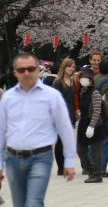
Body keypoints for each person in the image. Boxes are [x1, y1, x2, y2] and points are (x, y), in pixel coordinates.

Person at [0, 53, 76, 205]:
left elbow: (65, 128)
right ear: (15, 73)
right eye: (21, 70)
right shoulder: (8, 97)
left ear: (37, 70)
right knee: (20, 203)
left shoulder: (52, 96)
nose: (26, 73)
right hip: (13, 158)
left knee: (34, 202)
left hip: (40, 157)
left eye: (30, 69)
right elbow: (1, 131)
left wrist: (69, 161)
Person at [75, 67, 106, 183]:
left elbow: (97, 111)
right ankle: (90, 171)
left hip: (95, 125)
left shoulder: (95, 93)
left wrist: (92, 126)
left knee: (96, 151)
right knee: (80, 149)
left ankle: (97, 175)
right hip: (83, 123)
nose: (83, 80)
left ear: (91, 79)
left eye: (86, 78)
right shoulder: (82, 92)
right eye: (81, 78)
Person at [51, 59, 78, 176]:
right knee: (60, 141)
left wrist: (76, 110)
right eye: (69, 66)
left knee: (66, 140)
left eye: (73, 66)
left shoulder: (73, 81)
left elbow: (74, 98)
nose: (71, 68)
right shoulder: (58, 82)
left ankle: (66, 165)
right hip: (60, 113)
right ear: (64, 67)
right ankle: (60, 167)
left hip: (70, 112)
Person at [92, 60, 108, 178]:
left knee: (93, 141)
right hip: (104, 115)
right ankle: (102, 168)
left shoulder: (94, 79)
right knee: (105, 141)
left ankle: (90, 166)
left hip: (92, 113)